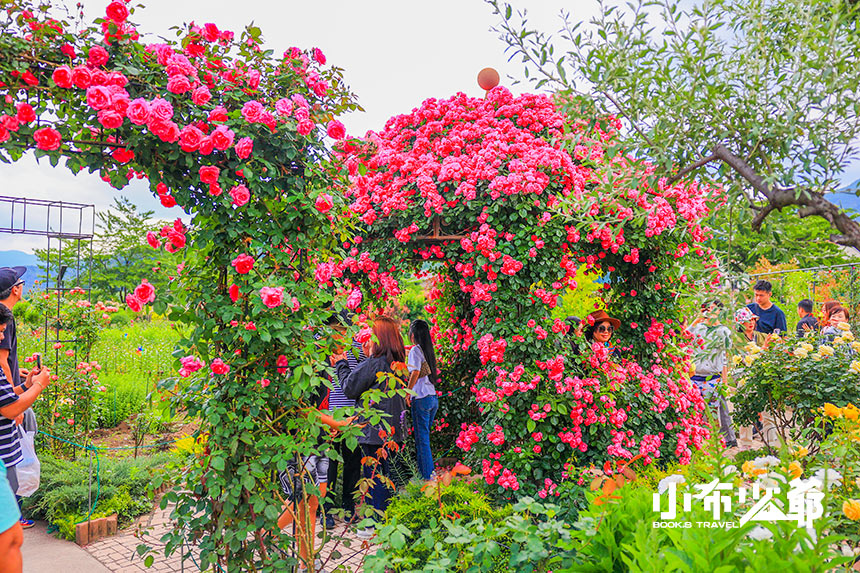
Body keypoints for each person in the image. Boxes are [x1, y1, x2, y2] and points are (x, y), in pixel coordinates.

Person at [333, 316, 408, 539]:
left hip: (373, 431)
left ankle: (373, 525)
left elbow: (349, 387)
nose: (368, 341)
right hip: (393, 430)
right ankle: (386, 521)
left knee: (373, 476)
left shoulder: (374, 363)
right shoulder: (397, 364)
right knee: (387, 475)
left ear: (380, 338)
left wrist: (340, 363)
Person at [0, 304, 50, 533]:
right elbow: (9, 409)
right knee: (7, 531)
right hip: (2, 458)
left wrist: (25, 386)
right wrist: (39, 386)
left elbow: (5, 399)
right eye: (0, 331)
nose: (3, 336)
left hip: (6, 455)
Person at [321, 314, 363, 529]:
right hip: (327, 415)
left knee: (352, 463)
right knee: (328, 464)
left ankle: (348, 507)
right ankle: (326, 510)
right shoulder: (321, 348)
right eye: (334, 328)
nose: (338, 333)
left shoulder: (357, 348)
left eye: (342, 329)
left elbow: (365, 379)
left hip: (351, 414)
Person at [687, 301, 737, 448]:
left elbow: (724, 358)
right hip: (695, 377)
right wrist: (696, 320)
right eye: (707, 309)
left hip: (712, 377)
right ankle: (697, 443)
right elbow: (685, 337)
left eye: (713, 309)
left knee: (713, 412)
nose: (709, 312)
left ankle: (714, 443)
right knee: (695, 412)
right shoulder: (699, 328)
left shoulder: (723, 331)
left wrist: (725, 381)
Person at [406, 319, 438, 481]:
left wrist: (407, 392)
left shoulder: (415, 351)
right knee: (423, 438)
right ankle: (424, 473)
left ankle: (428, 476)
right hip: (432, 398)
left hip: (421, 398)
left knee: (422, 440)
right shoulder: (428, 350)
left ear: (413, 335)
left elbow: (415, 372)